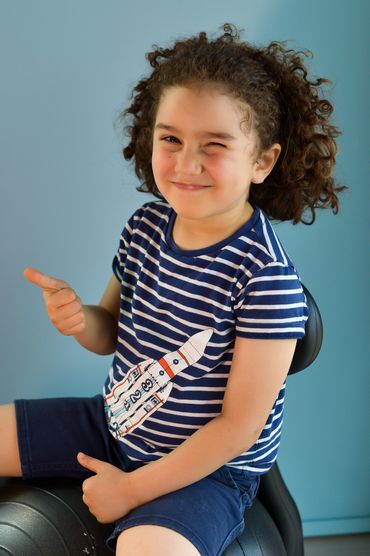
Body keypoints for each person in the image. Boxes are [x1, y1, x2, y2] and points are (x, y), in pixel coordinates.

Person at [0, 23, 344, 556]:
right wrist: (78, 319)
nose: (187, 163)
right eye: (171, 139)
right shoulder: (145, 227)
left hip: (208, 472)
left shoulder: (267, 278)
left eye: (215, 146)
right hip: (114, 423)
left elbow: (237, 429)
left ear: (262, 160)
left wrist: (130, 490)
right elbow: (111, 332)